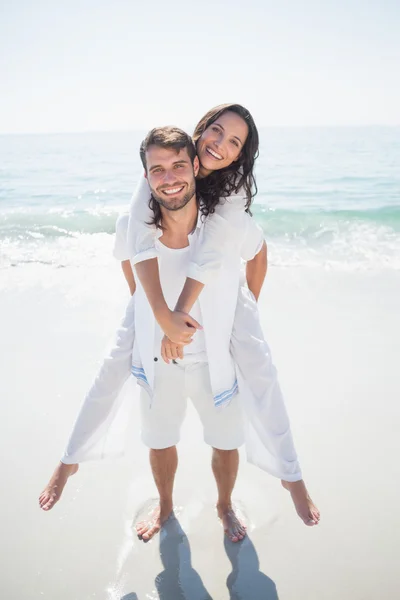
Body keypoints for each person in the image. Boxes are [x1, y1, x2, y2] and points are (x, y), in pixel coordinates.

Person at [39, 112, 319, 535]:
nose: (220, 145)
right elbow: (130, 256)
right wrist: (157, 316)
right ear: (199, 132)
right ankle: (143, 495)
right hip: (160, 352)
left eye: (234, 143)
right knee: (126, 393)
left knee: (248, 397)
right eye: (216, 132)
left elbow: (257, 252)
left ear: (193, 163)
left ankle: (243, 496)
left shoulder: (227, 212)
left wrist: (243, 306)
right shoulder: (137, 213)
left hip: (214, 355)